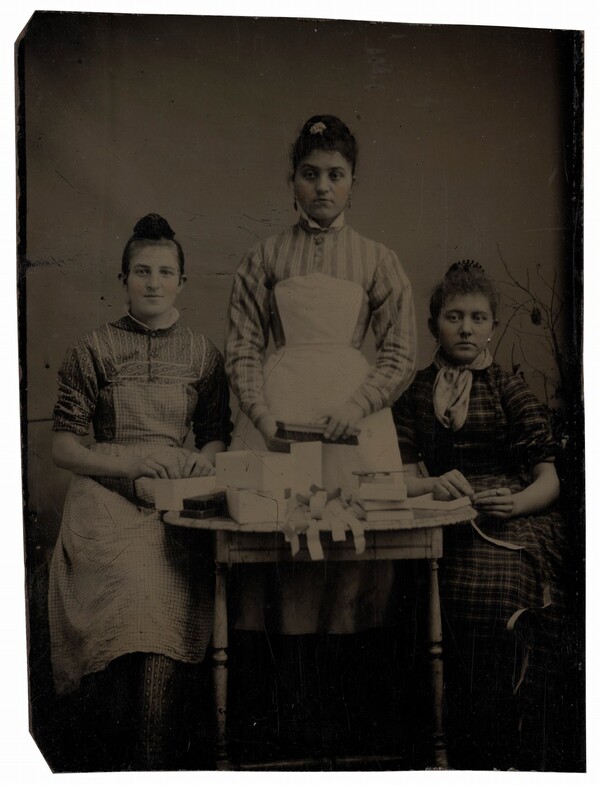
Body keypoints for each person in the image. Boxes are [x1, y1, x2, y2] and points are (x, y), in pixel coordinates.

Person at [224, 115, 416, 759]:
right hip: (282, 416)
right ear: (292, 182)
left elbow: (399, 352)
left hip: (353, 421)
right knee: (278, 552)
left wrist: (358, 407)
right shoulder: (264, 257)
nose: (323, 188)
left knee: (354, 557)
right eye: (311, 175)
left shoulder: (378, 260)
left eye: (335, 175)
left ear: (353, 184)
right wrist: (261, 414)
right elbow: (244, 347)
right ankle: (281, 725)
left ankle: (353, 727)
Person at [48, 213, 232, 771]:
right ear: (124, 278)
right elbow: (63, 447)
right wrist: (127, 463)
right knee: (132, 590)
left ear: (182, 281)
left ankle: (149, 765)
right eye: (141, 271)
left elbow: (216, 436)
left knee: (167, 596)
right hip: (104, 495)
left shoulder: (203, 354)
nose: (153, 282)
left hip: (174, 495)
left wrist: (205, 461)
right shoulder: (94, 349)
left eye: (165, 272)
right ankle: (124, 760)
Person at [392, 260, 570, 770]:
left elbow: (549, 479)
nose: (465, 328)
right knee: (414, 597)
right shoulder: (417, 392)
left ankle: (499, 742)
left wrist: (515, 502)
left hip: (512, 520)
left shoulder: (507, 389)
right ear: (434, 326)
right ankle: (438, 743)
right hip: (439, 516)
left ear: (492, 325)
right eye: (453, 317)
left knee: (494, 594)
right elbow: (396, 475)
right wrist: (430, 484)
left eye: (477, 317)